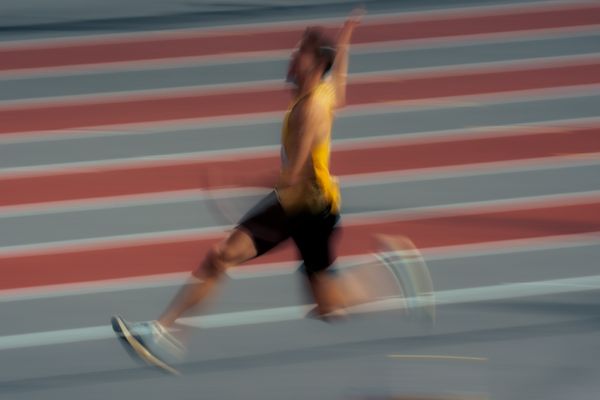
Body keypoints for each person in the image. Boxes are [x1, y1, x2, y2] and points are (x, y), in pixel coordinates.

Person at [112, 10, 365, 371]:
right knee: (231, 263)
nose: (292, 57)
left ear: (314, 64)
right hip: (304, 204)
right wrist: (345, 37)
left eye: (300, 54)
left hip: (310, 211)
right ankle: (162, 331)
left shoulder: (311, 111)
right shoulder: (322, 91)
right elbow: (339, 77)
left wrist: (236, 186)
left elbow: (290, 177)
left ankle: (163, 333)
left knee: (319, 305)